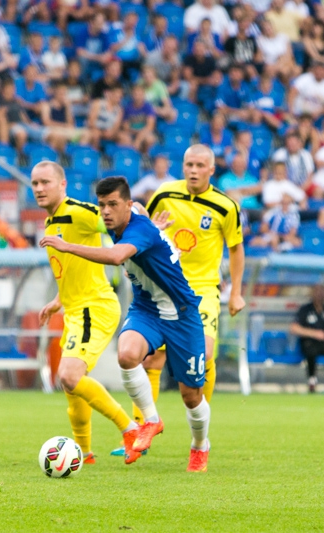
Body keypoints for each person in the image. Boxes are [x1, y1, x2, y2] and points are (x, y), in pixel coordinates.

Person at [40, 176, 213, 473]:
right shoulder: (126, 224)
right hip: (146, 308)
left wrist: (67, 246)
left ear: (127, 205)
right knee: (127, 354)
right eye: (102, 205)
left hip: (181, 313)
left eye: (113, 205)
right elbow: (139, 222)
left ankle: (200, 445)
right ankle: (150, 421)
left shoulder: (138, 229)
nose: (106, 211)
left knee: (191, 396)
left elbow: (116, 255)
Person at [30, 163, 142, 466]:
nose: (39, 188)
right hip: (75, 308)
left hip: (96, 306)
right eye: (35, 183)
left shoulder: (79, 211)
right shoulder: (51, 222)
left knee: (69, 375)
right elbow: (71, 269)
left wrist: (144, 218)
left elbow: (121, 216)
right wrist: (58, 300)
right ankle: (84, 452)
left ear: (62, 184)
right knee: (69, 385)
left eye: (45, 182)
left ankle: (131, 430)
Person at [131, 145, 245, 432]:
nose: (193, 170)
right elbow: (143, 226)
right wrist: (149, 225)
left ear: (211, 169)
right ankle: (141, 428)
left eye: (199, 165)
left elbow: (236, 249)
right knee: (151, 357)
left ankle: (201, 424)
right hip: (166, 286)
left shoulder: (225, 206)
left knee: (204, 355)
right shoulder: (165, 193)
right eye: (188, 164)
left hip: (203, 290)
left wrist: (236, 292)